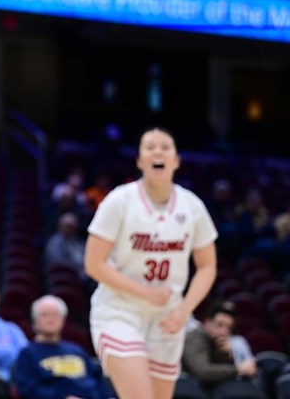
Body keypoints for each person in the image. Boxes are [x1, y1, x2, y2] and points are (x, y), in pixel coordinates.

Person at [84, 127, 218, 399]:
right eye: (150, 147)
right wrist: (145, 292)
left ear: (177, 160)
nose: (158, 151)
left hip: (167, 318)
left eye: (165, 146)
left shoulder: (192, 207)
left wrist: (184, 310)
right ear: (139, 160)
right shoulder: (119, 201)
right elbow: (93, 264)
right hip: (119, 311)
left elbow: (207, 266)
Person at [13, 295, 108, 399]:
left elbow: (97, 381)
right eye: (44, 315)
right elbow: (28, 390)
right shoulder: (27, 353)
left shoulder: (76, 350)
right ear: (35, 320)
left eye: (55, 315)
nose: (50, 319)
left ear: (63, 320)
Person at [182, 300, 259, 392]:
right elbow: (204, 371)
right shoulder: (195, 338)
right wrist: (238, 368)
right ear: (207, 323)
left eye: (229, 327)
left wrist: (227, 355)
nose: (224, 331)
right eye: (220, 325)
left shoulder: (218, 341)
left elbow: (223, 375)